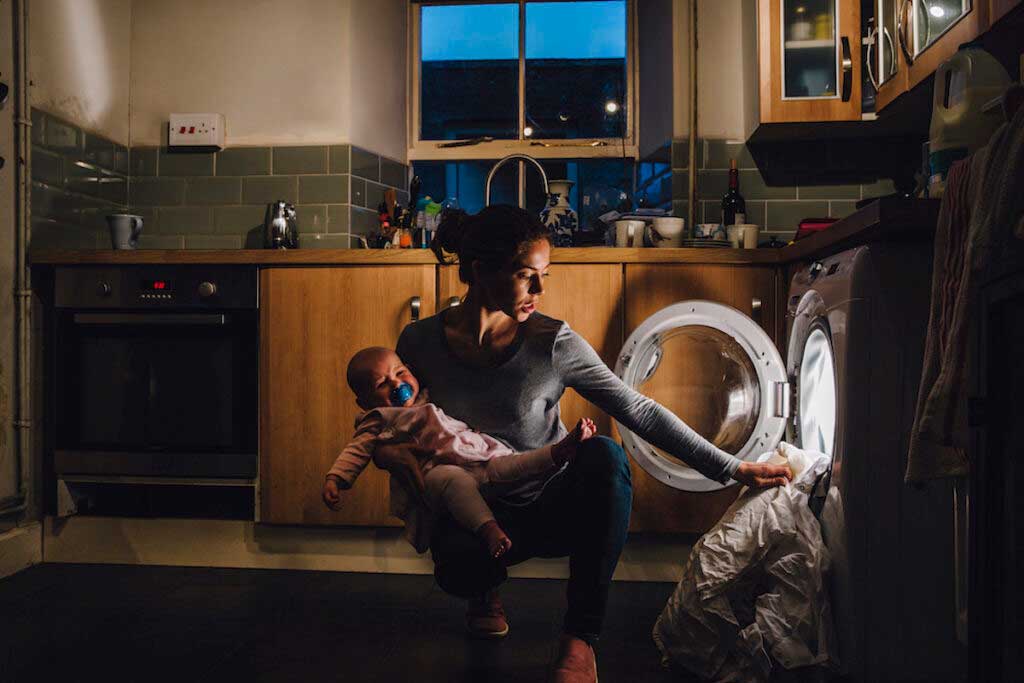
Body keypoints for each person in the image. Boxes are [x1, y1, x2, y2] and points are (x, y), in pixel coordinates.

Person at [372, 204, 792, 682]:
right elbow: (392, 424)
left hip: (548, 504)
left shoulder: (553, 341)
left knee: (605, 456)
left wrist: (733, 468)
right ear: (479, 271)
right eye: (526, 275)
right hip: (471, 511)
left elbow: (638, 409)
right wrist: (393, 456)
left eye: (544, 275)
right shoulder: (419, 341)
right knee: (460, 571)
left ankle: (579, 640)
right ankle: (482, 590)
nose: (540, 290)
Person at [322, 345, 598, 558]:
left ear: (410, 369)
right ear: (364, 401)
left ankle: (558, 453)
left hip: (474, 453)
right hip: (435, 470)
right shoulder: (378, 417)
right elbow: (357, 449)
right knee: (454, 482)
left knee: (509, 464)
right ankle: (489, 529)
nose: (397, 385)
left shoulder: (426, 396)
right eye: (382, 384)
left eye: (400, 373)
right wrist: (336, 479)